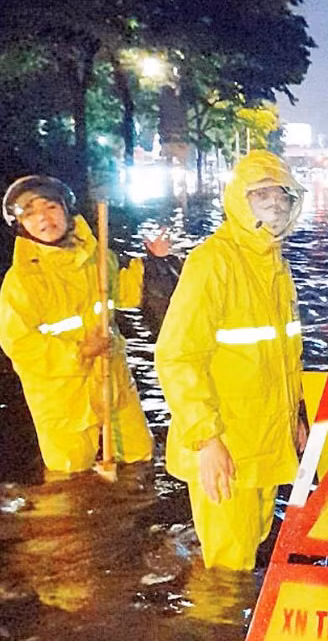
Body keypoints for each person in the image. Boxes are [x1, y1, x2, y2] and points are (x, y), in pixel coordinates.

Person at [155, 150, 308, 571]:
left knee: (249, 548)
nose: (273, 204)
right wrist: (207, 441)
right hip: (226, 447)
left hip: (262, 444)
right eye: (261, 194)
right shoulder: (214, 260)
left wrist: (293, 416)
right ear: (239, 199)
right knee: (226, 567)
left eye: (282, 195)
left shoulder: (273, 263)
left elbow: (282, 356)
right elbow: (178, 356)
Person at [0, 175, 176, 473]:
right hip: (62, 398)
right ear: (21, 225)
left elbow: (127, 293)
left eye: (51, 207)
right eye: (30, 213)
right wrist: (80, 351)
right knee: (69, 478)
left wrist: (154, 261)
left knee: (140, 460)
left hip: (112, 380)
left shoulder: (97, 257)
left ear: (67, 211)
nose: (43, 218)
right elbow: (18, 344)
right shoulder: (21, 282)